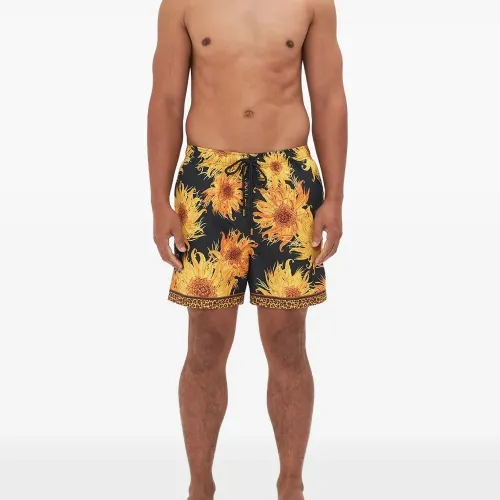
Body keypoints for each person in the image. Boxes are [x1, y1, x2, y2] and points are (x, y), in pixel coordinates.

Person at [147, 0, 347, 497]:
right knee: (205, 342)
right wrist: (158, 201)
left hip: (288, 180)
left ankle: (291, 486)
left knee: (287, 340)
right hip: (207, 179)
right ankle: (200, 488)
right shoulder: (182, 4)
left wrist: (336, 197)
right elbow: (166, 100)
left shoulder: (312, 3)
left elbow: (328, 96)